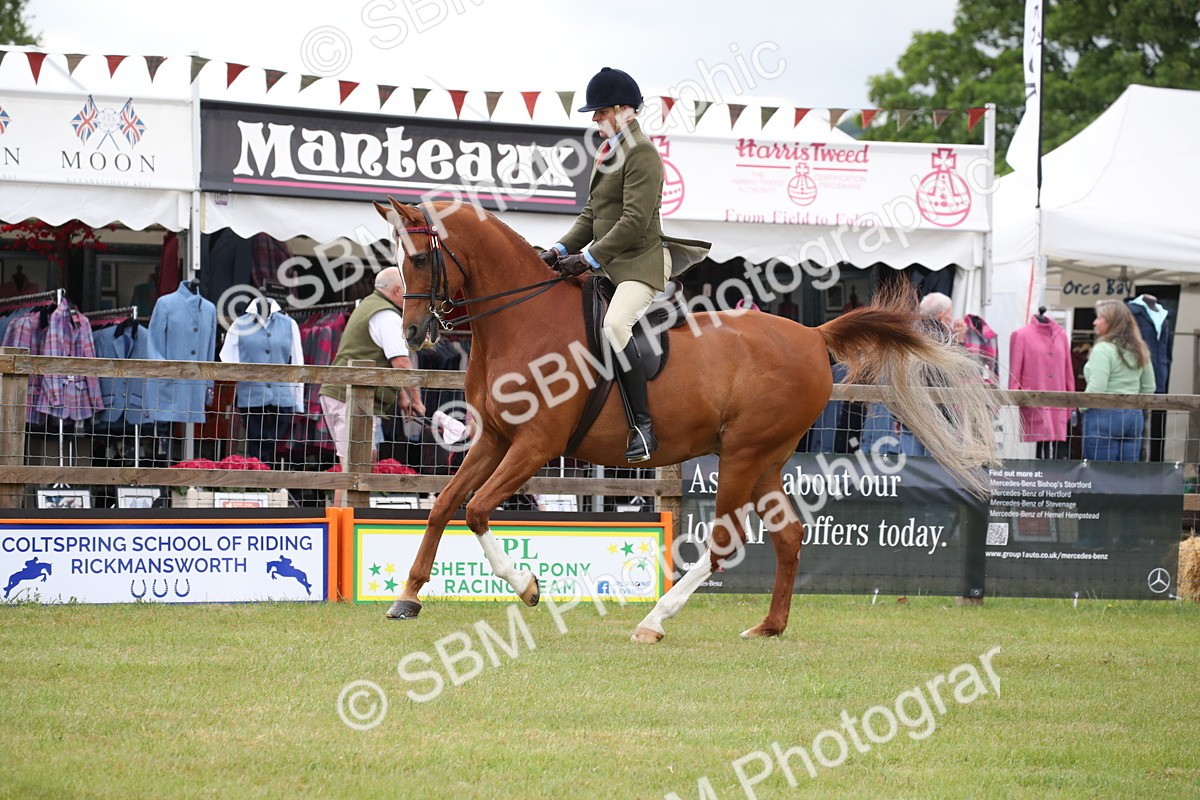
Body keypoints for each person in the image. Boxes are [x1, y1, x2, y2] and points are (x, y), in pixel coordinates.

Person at [539, 67, 709, 463]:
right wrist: (559, 250)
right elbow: (590, 216)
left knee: (615, 325)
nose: (596, 121)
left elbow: (634, 221)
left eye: (599, 113)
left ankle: (643, 427)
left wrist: (590, 257)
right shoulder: (611, 152)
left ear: (619, 108)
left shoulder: (643, 153)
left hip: (641, 264)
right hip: (609, 266)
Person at [318, 267, 424, 465]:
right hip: (350, 397)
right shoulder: (388, 316)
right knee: (355, 465)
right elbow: (401, 364)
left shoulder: (369, 305)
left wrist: (402, 398)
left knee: (359, 461)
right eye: (408, 290)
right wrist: (417, 400)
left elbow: (386, 362)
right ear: (397, 290)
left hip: (342, 393)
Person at [1082, 299, 1155, 462]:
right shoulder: (1140, 348)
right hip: (1133, 417)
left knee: (1100, 474)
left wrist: (1079, 407)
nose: (1095, 322)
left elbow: (1097, 388)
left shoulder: (1103, 349)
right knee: (1126, 475)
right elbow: (1149, 387)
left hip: (1103, 415)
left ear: (1112, 322)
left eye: (1099, 318)